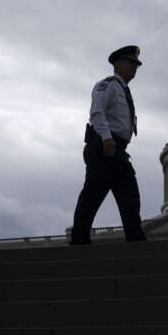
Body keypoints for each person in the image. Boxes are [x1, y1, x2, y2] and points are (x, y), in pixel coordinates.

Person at [71, 45, 148, 245]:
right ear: (118, 64)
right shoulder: (107, 85)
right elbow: (97, 112)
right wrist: (106, 138)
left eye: (136, 65)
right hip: (104, 147)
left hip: (118, 150)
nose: (134, 68)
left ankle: (135, 238)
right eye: (131, 63)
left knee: (130, 195)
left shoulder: (124, 90)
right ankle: (79, 239)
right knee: (92, 194)